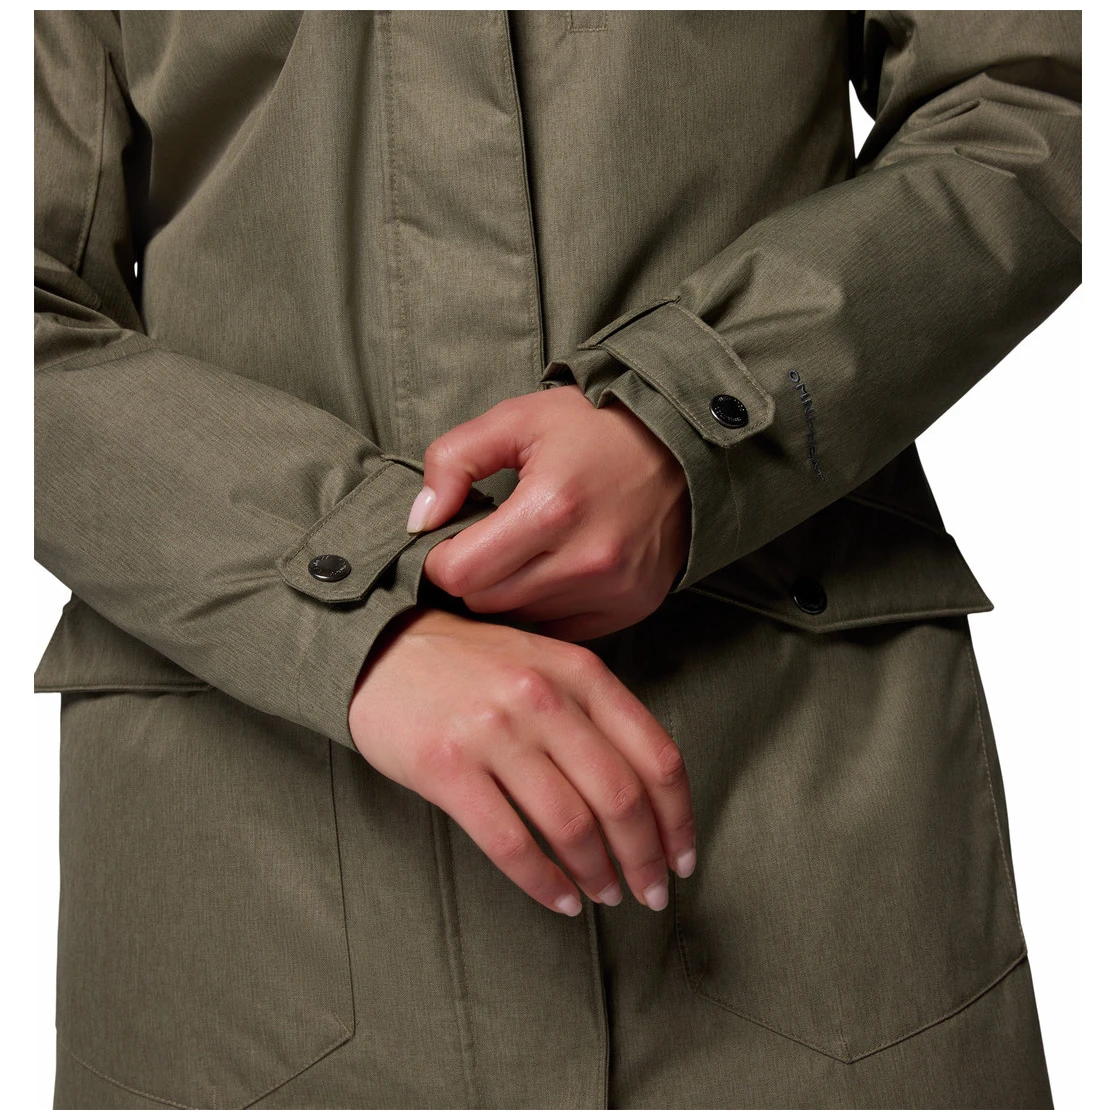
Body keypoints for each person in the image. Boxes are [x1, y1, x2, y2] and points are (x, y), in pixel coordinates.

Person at [34, 9, 1081, 1109]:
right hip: (247, 880)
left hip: (788, 823)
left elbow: (1039, 93)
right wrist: (345, 605)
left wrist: (688, 417)